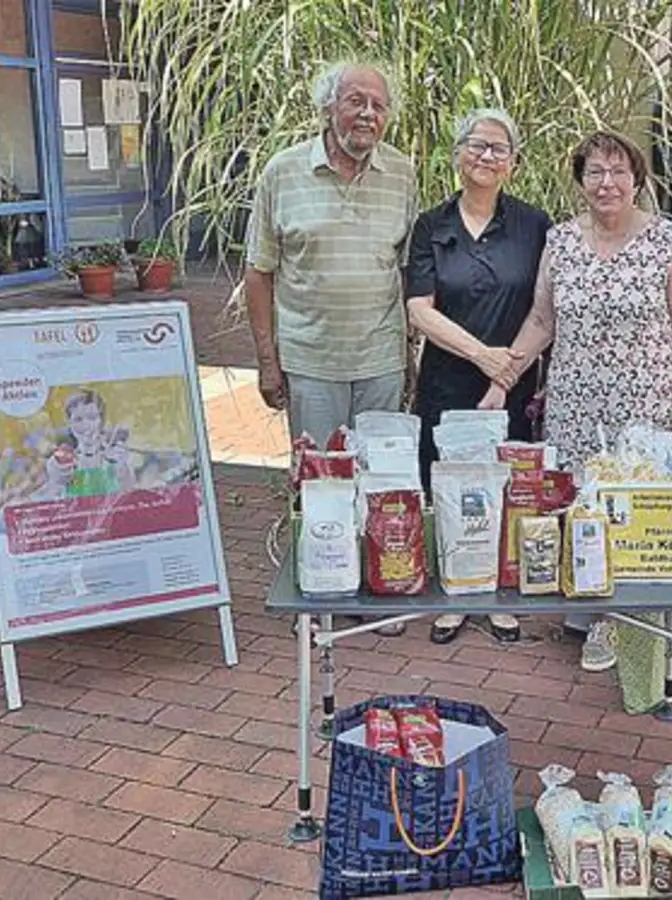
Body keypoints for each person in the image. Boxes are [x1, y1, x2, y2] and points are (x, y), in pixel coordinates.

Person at [496, 131, 672, 672]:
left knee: (630, 509)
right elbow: (542, 320)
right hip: (576, 403)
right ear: (581, 182)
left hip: (645, 407)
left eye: (618, 171)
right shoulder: (561, 241)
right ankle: (588, 604)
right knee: (580, 501)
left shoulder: (664, 240)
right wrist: (502, 378)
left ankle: (622, 620)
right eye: (594, 172)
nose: (606, 182)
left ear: (637, 180)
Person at [244, 60, 417, 636]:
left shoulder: (402, 173)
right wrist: (268, 360)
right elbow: (259, 273)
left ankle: (378, 589)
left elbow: (407, 270)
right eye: (355, 101)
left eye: (379, 105)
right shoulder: (283, 172)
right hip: (311, 359)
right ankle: (318, 591)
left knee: (378, 480)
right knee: (317, 483)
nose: (368, 114)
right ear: (329, 108)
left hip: (380, 358)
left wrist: (410, 353)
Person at [405, 109, 552, 645]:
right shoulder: (431, 225)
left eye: (499, 149)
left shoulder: (535, 226)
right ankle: (454, 593)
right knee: (448, 485)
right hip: (446, 382)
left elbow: (543, 311)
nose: (486, 156)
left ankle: (499, 595)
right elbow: (419, 309)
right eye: (477, 145)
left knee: (508, 489)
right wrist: (479, 357)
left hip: (510, 386)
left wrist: (503, 373)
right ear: (457, 154)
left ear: (512, 164)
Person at [37, 389, 134, 501]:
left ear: (101, 420)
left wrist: (121, 465)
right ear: (69, 423)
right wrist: (61, 462)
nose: (86, 425)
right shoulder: (63, 459)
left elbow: (128, 488)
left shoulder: (115, 454)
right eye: (78, 419)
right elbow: (58, 477)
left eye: (92, 418)